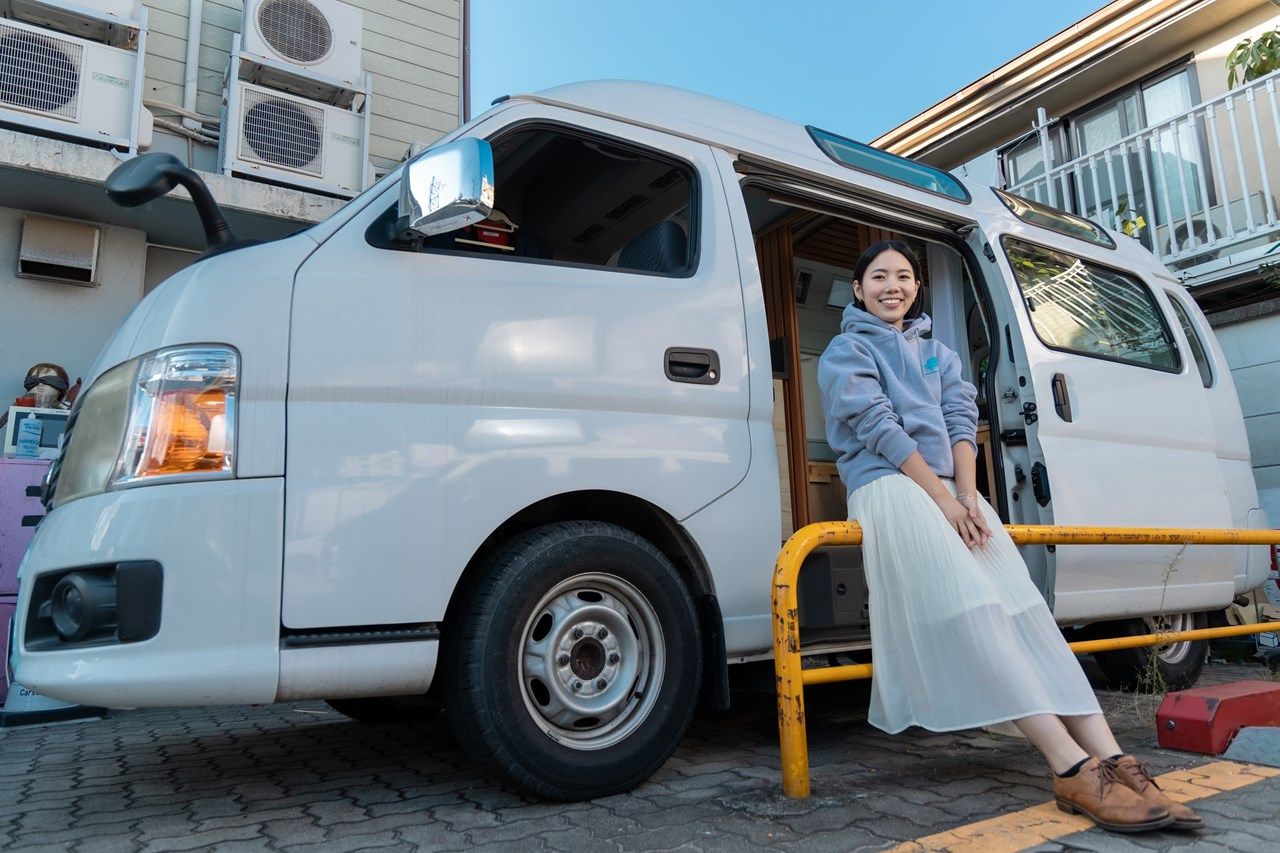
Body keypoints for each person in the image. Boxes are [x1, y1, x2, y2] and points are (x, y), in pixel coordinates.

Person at [817, 240, 1200, 834]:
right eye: (879, 276)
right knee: (980, 613)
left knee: (1026, 616)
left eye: (904, 276)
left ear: (916, 287)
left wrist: (967, 497)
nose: (892, 285)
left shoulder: (938, 353)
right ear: (859, 288)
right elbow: (875, 426)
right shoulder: (847, 349)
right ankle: (1070, 768)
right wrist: (943, 500)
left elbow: (960, 420)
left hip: (951, 492)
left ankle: (1115, 759)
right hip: (892, 486)